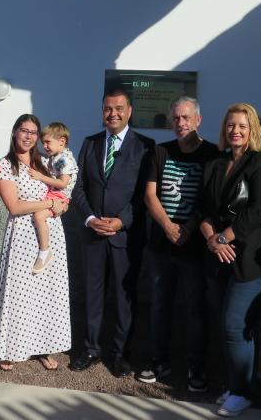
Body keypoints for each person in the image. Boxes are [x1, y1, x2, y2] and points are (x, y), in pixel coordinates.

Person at [69, 87, 155, 377]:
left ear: (130, 111)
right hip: (93, 234)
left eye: (119, 108)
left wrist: (121, 221)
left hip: (125, 237)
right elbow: (78, 187)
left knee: (123, 297)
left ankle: (120, 353)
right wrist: (91, 218)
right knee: (92, 295)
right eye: (108, 108)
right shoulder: (90, 143)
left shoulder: (145, 146)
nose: (113, 114)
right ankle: (91, 348)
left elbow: (146, 194)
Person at [200, 103, 261, 417]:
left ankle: (243, 392)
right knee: (227, 326)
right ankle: (235, 386)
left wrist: (223, 237)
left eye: (242, 126)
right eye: (231, 125)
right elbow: (204, 209)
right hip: (218, 256)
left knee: (237, 325)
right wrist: (210, 238)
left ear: (253, 130)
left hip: (251, 259)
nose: (235, 131)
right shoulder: (216, 163)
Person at [137, 97, 220, 390]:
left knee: (196, 310)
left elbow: (210, 198)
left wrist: (188, 228)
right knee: (160, 306)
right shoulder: (161, 152)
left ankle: (196, 367)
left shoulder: (212, 154)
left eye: (186, 118)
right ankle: (159, 361)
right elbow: (150, 195)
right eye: (176, 118)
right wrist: (168, 226)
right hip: (162, 246)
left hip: (196, 248)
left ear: (198, 120)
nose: (181, 123)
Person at [0, 114, 72, 371]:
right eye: (23, 131)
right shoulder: (4, 165)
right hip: (23, 236)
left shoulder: (47, 161)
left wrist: (60, 207)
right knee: (19, 293)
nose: (28, 136)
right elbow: (14, 206)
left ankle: (45, 347)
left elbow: (63, 193)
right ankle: (11, 348)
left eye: (33, 132)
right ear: (15, 132)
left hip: (50, 232)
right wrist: (49, 204)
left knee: (47, 293)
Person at [29, 121, 78, 273]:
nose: (45, 146)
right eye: (43, 143)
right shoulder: (56, 157)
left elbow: (63, 183)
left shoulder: (64, 159)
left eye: (48, 142)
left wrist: (40, 177)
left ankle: (44, 251)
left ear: (62, 141)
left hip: (59, 196)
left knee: (39, 216)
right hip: (54, 194)